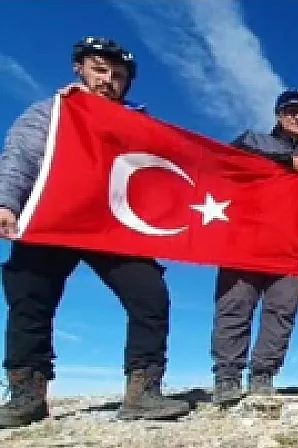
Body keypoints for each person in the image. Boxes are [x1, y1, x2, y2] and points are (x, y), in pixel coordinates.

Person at [0, 37, 191, 427]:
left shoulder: (140, 124)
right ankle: (25, 395)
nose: (108, 80)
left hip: (113, 227)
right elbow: (19, 159)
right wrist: (7, 203)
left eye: (117, 75)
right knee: (29, 296)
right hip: (55, 218)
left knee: (149, 294)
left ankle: (144, 391)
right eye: (100, 70)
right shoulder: (50, 113)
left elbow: (164, 171)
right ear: (80, 69)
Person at [209, 88, 298, 405]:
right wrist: (287, 160)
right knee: (235, 307)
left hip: (291, 251)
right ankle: (227, 376)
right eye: (293, 111)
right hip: (244, 244)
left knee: (281, 314)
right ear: (279, 115)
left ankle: (263, 375)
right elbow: (223, 161)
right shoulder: (252, 141)